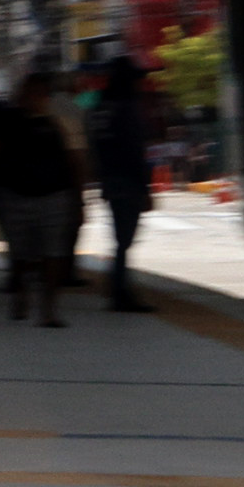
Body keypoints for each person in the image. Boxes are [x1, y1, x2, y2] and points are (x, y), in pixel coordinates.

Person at [0, 66, 90, 329]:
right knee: (20, 255)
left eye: (39, 93)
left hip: (55, 195)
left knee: (53, 254)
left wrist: (79, 200)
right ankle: (21, 294)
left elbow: (76, 160)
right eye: (29, 92)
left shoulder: (60, 121)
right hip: (15, 194)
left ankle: (48, 309)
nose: (32, 97)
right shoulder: (9, 120)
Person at [86, 50, 164, 311]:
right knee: (124, 241)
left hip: (109, 180)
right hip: (128, 181)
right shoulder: (128, 109)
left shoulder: (100, 106)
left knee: (120, 239)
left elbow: (95, 144)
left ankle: (118, 289)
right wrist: (146, 188)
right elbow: (135, 150)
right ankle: (120, 292)